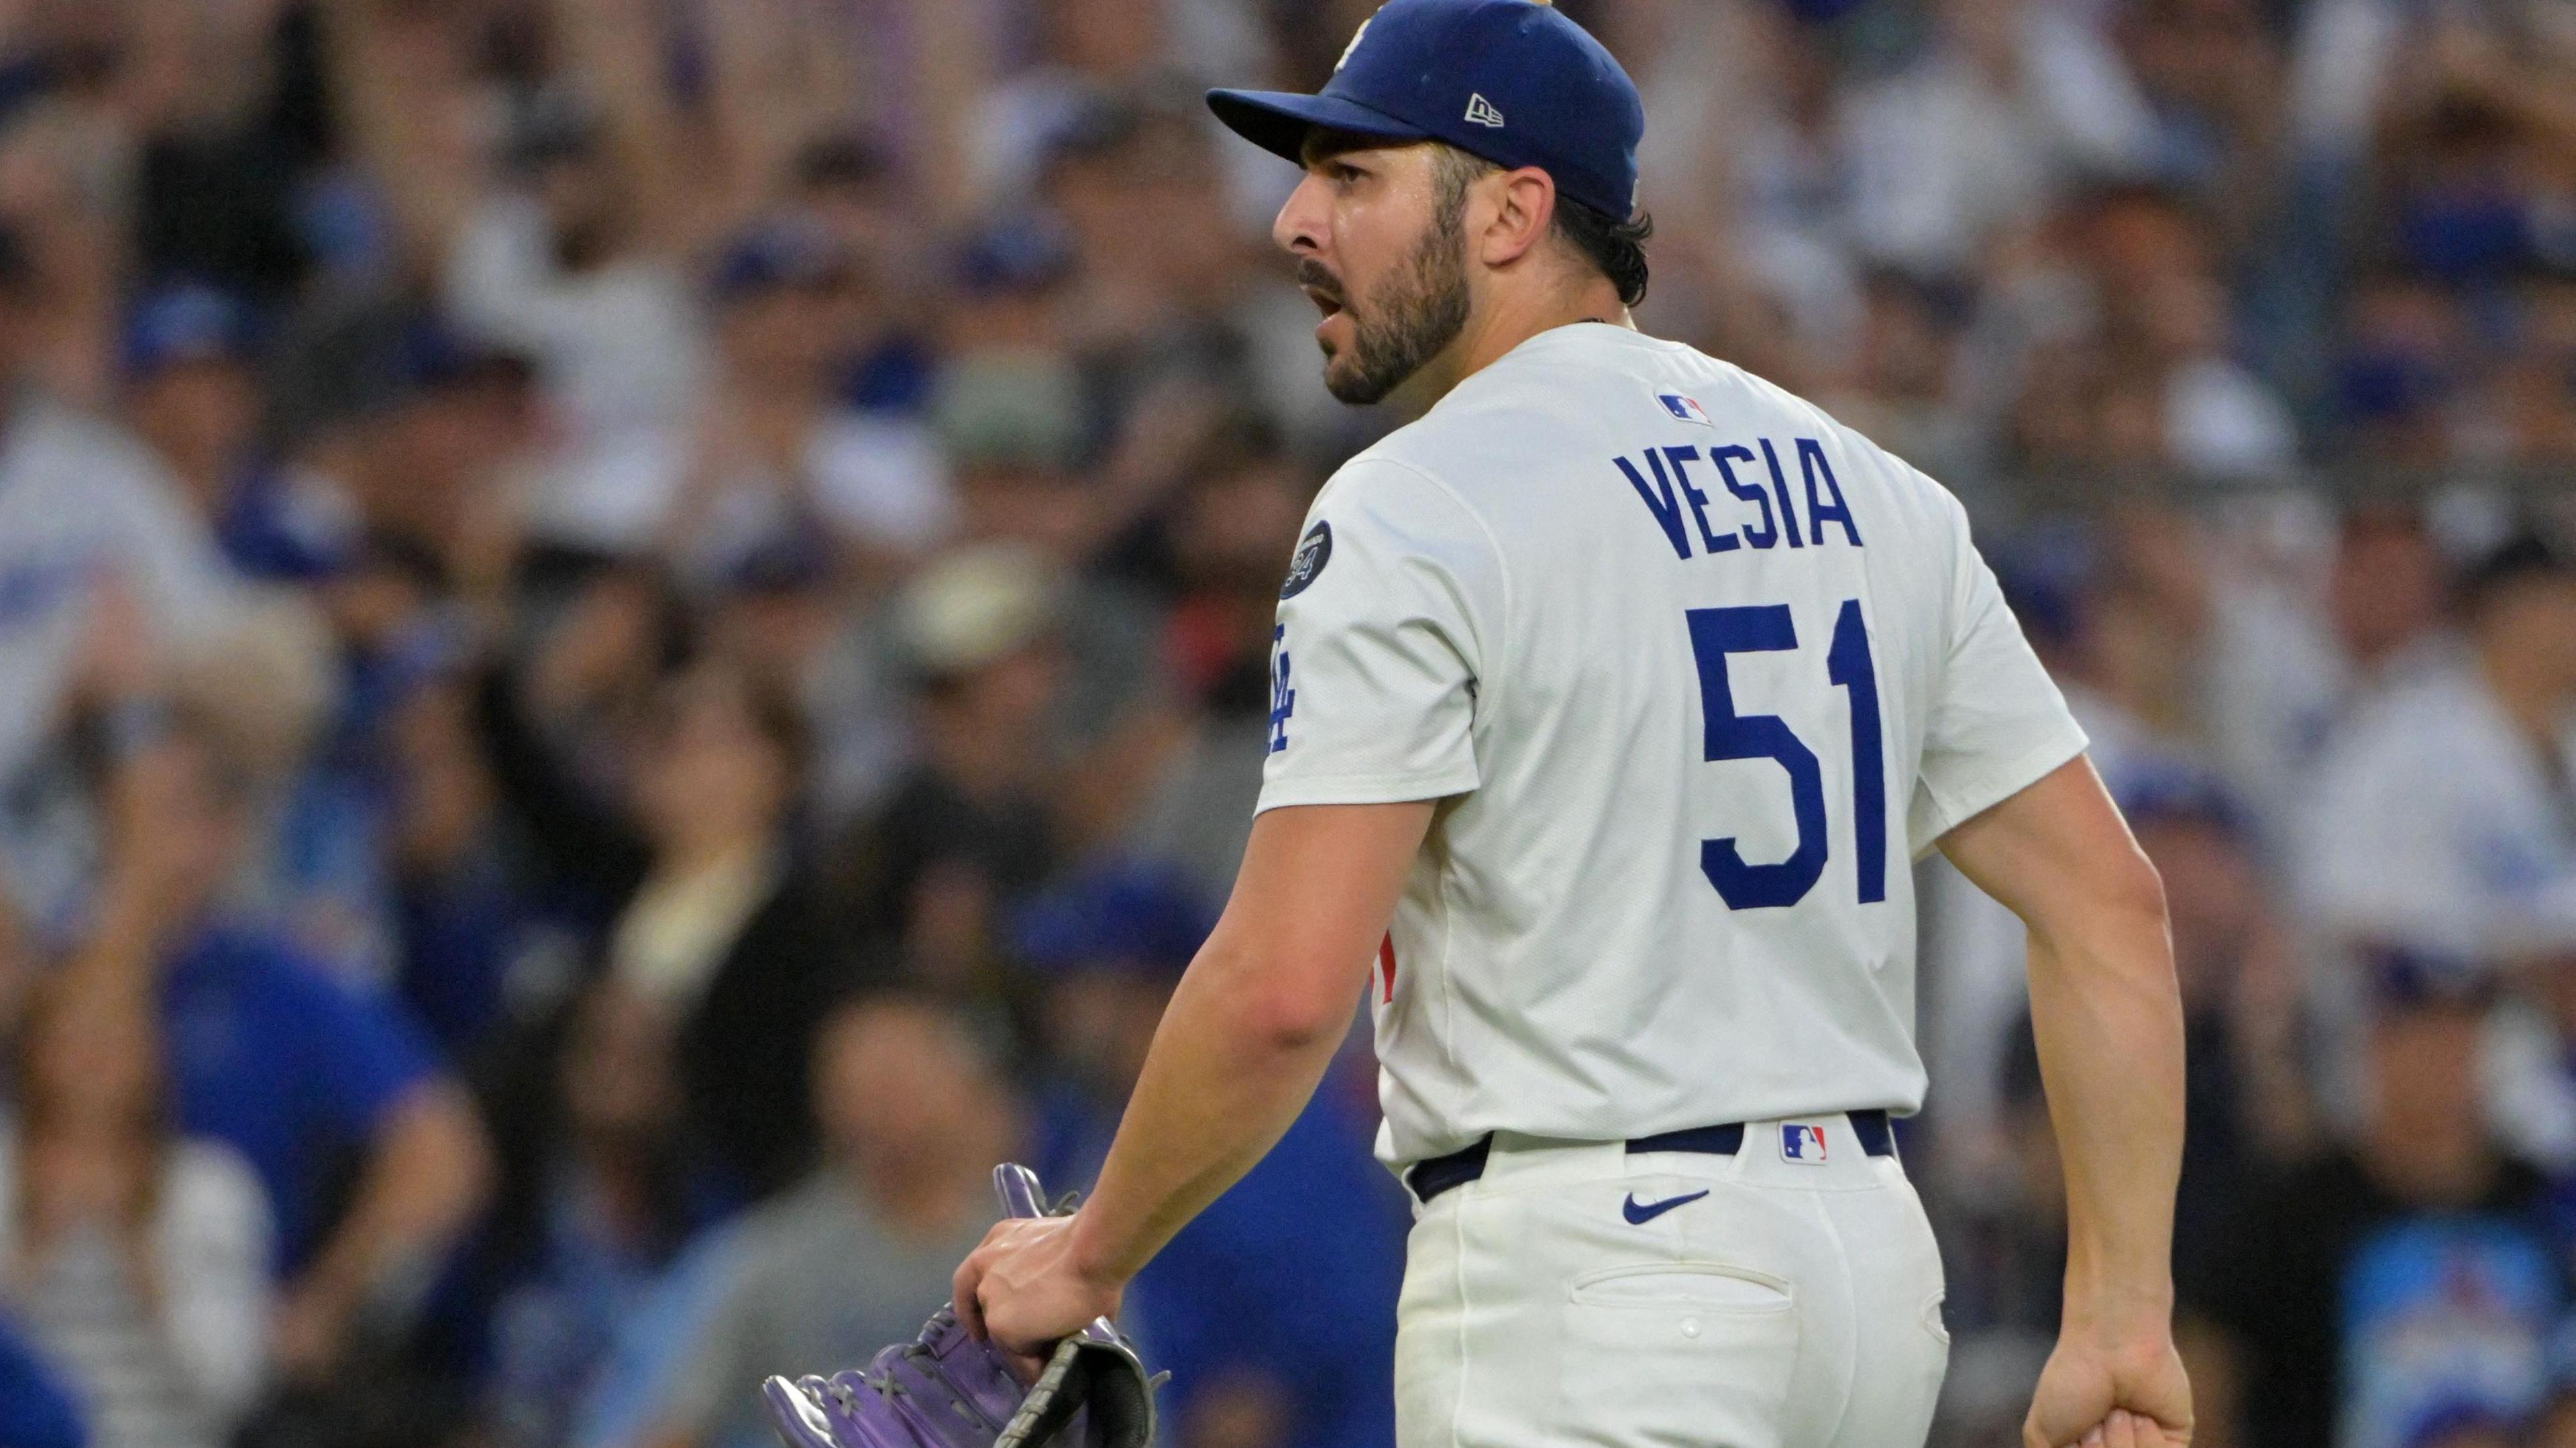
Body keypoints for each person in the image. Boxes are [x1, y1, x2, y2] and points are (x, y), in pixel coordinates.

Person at [953, 4, 2192, 1447]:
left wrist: (1090, 1249)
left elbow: (1284, 989)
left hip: (1597, 1278)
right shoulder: (1878, 494)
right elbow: (2110, 905)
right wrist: (2116, 1309)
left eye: (1355, 176)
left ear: (1513, 211)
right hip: (1864, 1276)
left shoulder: (1419, 503)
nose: (1295, 218)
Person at [0, 974, 272, 1448]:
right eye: (75, 1037)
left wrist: (139, 1250)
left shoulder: (211, 1188)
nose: (93, 1061)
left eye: (113, 1039)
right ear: (36, 1047)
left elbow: (231, 1386)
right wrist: (33, 1242)